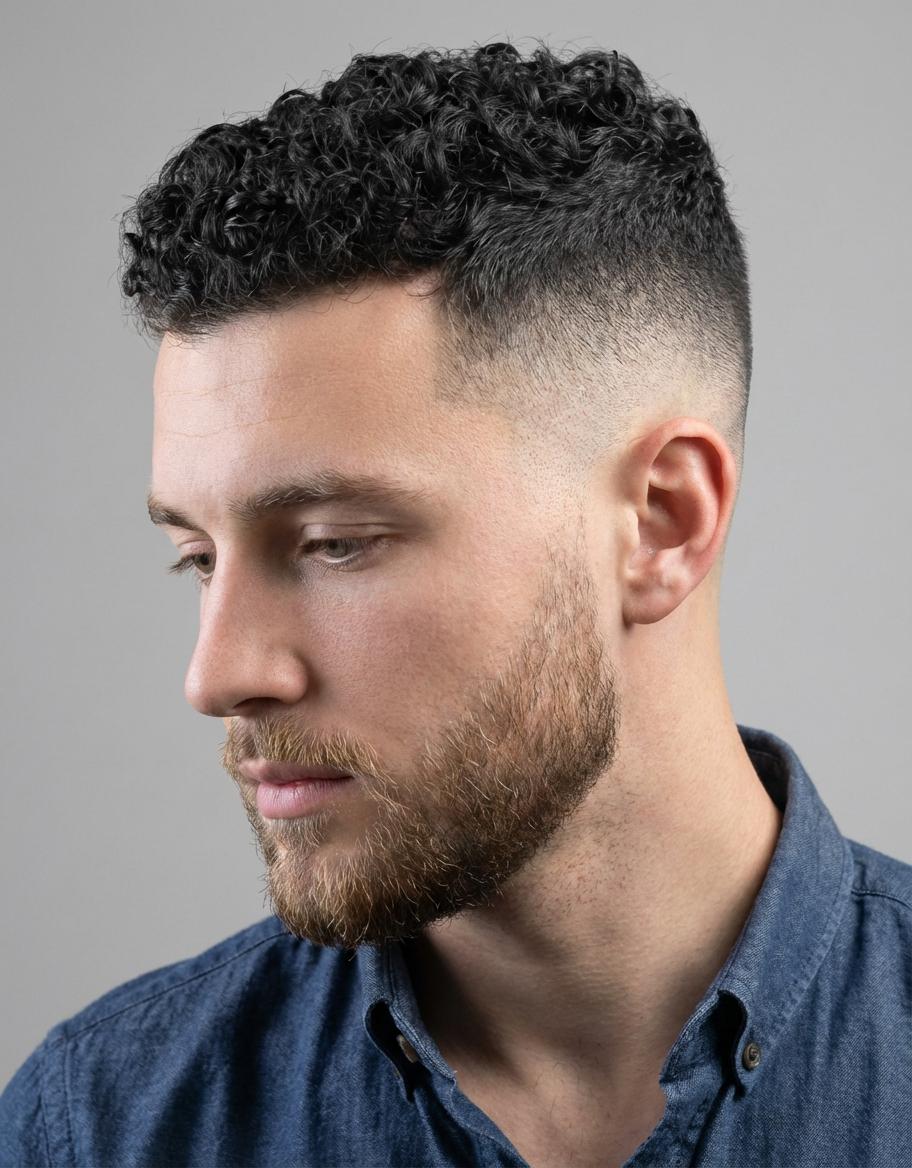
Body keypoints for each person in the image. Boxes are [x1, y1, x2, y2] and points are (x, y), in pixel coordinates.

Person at [0, 43, 908, 1168]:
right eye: (197, 556)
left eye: (334, 543)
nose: (217, 674)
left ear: (661, 523)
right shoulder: (100, 1128)